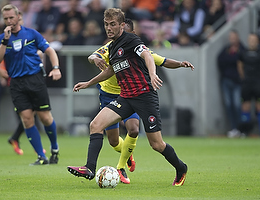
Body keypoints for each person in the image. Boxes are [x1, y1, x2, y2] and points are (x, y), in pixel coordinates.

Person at [67, 8, 192, 186]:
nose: (109, 28)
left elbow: (148, 55)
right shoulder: (111, 47)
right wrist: (88, 83)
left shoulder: (131, 40)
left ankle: (181, 168)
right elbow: (110, 70)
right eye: (106, 24)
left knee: (156, 144)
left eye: (113, 24)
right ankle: (89, 168)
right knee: (95, 125)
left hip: (145, 96)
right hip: (125, 97)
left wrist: (153, 74)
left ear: (122, 25)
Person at [0, 4, 61, 165]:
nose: (9, 21)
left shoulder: (31, 34)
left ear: (18, 17)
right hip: (16, 83)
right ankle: (41, 156)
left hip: (35, 79)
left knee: (45, 117)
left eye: (11, 17)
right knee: (27, 119)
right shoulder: (1, 39)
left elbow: (50, 50)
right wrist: (5, 40)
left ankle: (55, 149)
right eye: (6, 18)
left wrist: (56, 68)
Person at [237, 33, 260, 137]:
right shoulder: (243, 53)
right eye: (250, 39)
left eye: (254, 39)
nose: (252, 41)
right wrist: (244, 78)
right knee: (245, 106)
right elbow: (240, 66)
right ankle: (245, 131)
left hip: (258, 84)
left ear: (257, 41)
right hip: (247, 84)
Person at [217, 30, 244, 138]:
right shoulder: (226, 50)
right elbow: (220, 60)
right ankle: (233, 128)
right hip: (226, 80)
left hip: (237, 81)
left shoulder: (242, 49)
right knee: (229, 105)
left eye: (234, 37)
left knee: (237, 105)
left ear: (237, 38)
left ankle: (240, 129)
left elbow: (242, 61)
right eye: (230, 37)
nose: (232, 39)